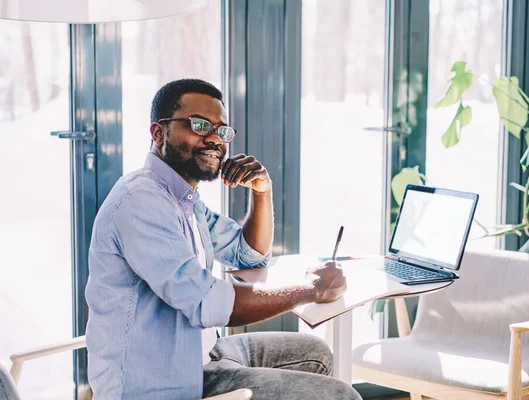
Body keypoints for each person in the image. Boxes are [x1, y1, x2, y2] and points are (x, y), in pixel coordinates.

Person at [85, 78, 361, 400]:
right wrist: (311, 289)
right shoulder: (141, 201)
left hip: (205, 352)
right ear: (158, 133)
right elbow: (208, 302)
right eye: (200, 125)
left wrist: (262, 191)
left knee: (316, 353)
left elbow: (248, 255)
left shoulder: (185, 199)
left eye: (222, 130)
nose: (215, 139)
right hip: (163, 383)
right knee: (341, 395)